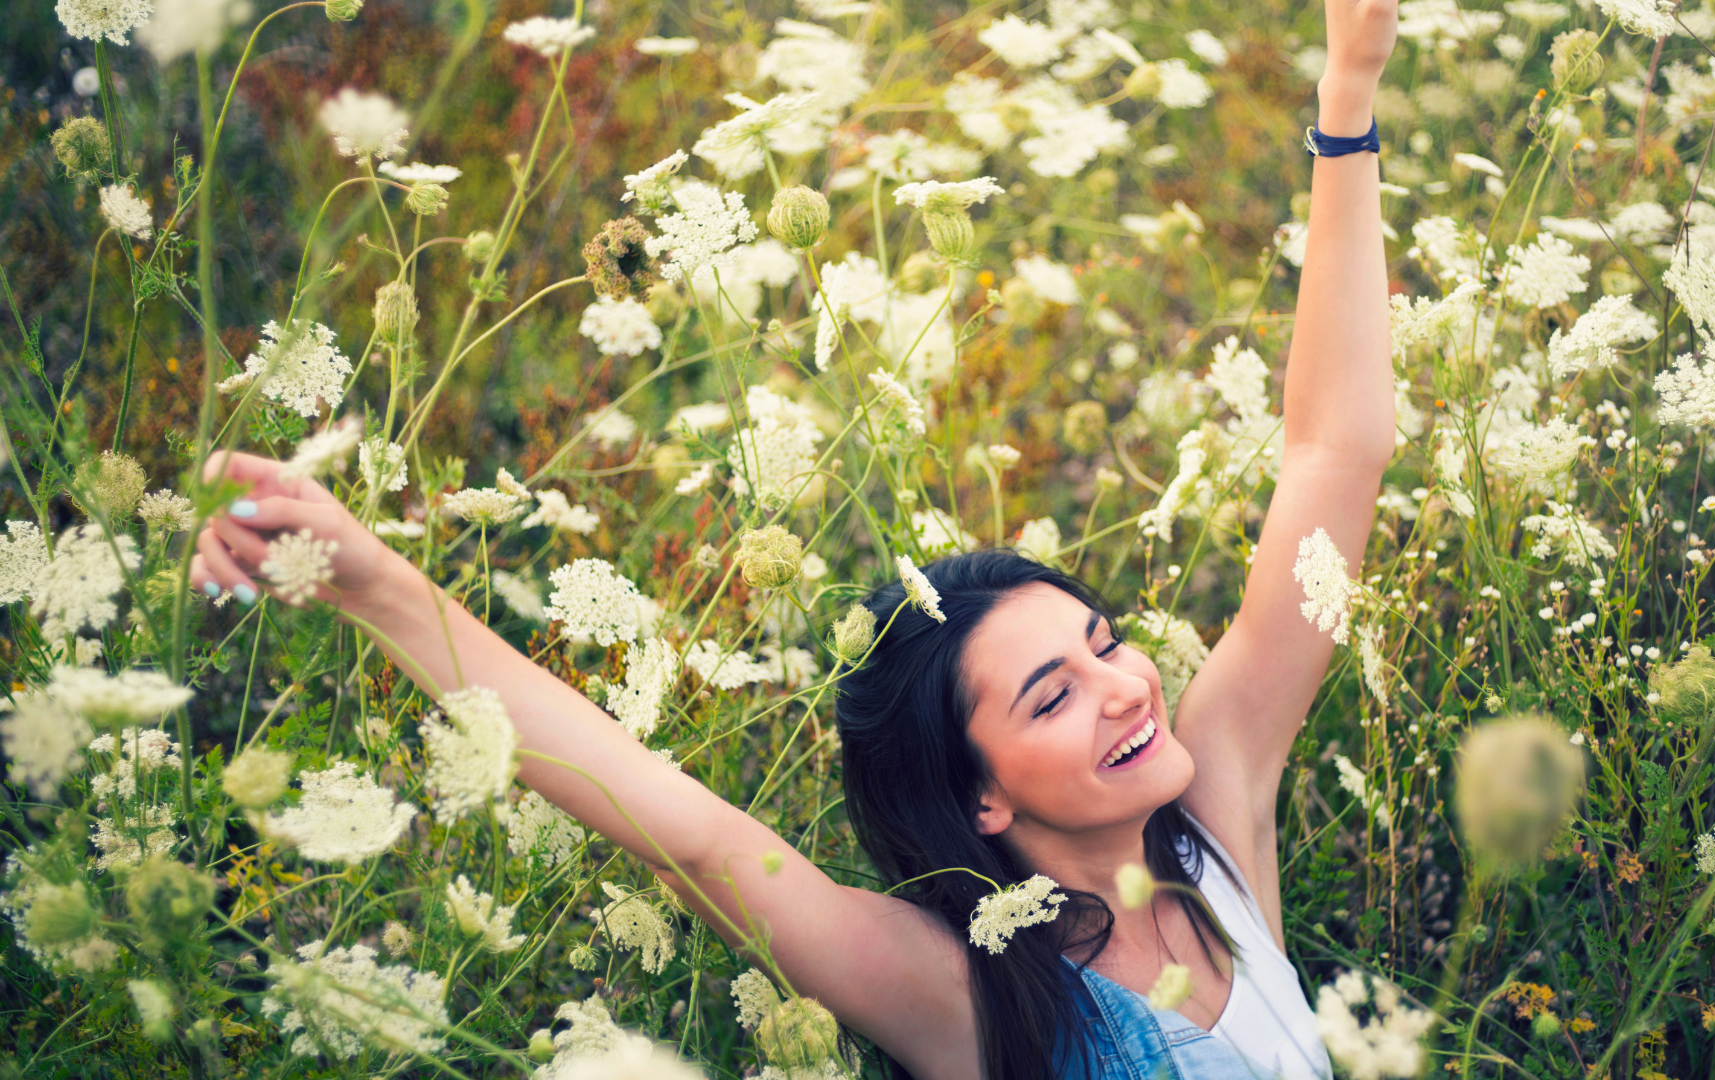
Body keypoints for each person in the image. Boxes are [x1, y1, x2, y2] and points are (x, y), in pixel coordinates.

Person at [188, 0, 1399, 1074]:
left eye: (1103, 644)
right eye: (1050, 696)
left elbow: (1334, 456)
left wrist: (1346, 97)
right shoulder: (975, 998)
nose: (1127, 689)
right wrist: (375, 585)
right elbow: (683, 827)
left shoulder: (1217, 832)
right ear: (978, 799)